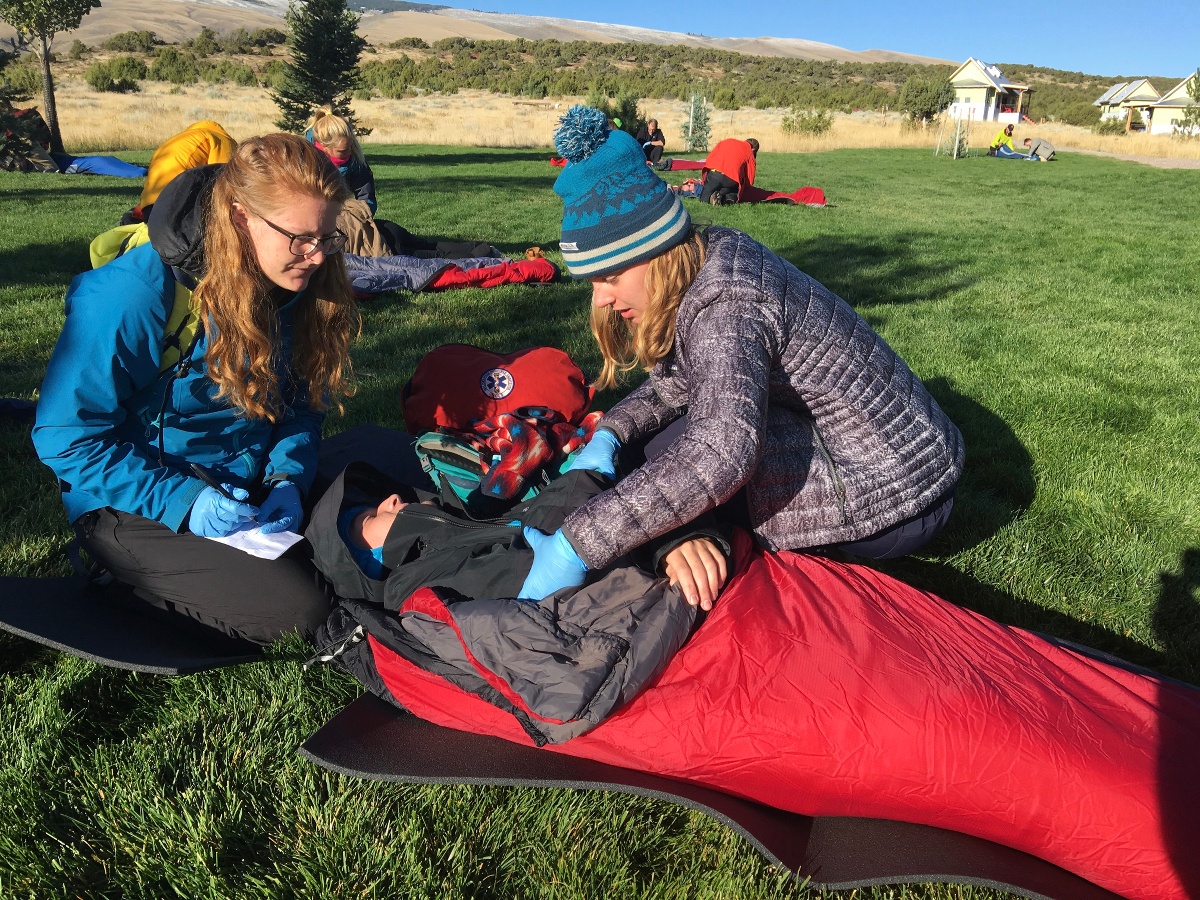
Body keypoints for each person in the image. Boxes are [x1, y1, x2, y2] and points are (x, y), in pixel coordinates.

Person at [517, 105, 963, 601]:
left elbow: (723, 451)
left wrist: (579, 545)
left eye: (609, 276)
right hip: (903, 456)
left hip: (896, 495)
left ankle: (696, 541)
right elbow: (681, 385)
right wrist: (612, 433)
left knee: (669, 454)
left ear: (653, 251)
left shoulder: (727, 304)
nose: (600, 297)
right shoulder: (713, 259)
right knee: (655, 448)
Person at [32, 133, 359, 644]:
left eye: (328, 236)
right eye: (301, 239)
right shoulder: (132, 295)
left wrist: (287, 479)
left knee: (383, 486)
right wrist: (185, 501)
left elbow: (301, 406)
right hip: (134, 497)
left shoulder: (299, 281)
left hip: (245, 482)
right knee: (304, 611)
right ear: (238, 217)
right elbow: (65, 437)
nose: (317, 257)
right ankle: (113, 572)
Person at [132, 120, 237, 220]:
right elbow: (223, 177)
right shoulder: (221, 140)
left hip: (148, 207)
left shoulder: (179, 139)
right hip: (178, 206)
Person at [306, 106, 377, 214]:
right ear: (324, 146)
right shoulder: (305, 160)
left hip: (341, 214)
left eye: (351, 147)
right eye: (342, 150)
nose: (349, 152)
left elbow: (366, 195)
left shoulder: (355, 161)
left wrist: (362, 216)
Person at [699, 136, 759, 206]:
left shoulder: (727, 141)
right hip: (730, 180)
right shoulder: (749, 152)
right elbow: (750, 179)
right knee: (734, 189)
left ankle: (712, 196)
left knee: (703, 201)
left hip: (713, 175)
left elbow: (709, 158)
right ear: (753, 149)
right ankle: (727, 197)